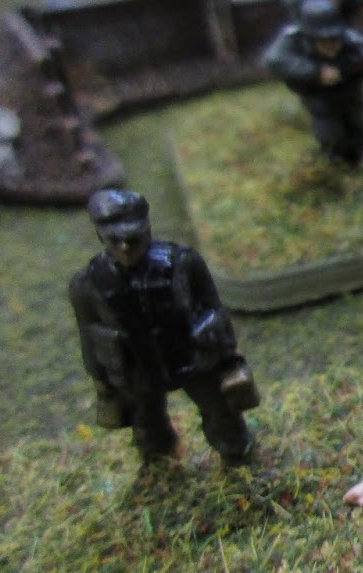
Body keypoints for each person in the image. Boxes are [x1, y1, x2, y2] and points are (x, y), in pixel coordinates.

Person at [69, 189, 258, 469]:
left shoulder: (184, 263)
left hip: (193, 357)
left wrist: (226, 352)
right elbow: (88, 333)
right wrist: (99, 377)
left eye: (133, 238)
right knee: (146, 424)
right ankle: (158, 464)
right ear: (101, 236)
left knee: (221, 412)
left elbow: (213, 306)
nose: (125, 247)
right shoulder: (87, 283)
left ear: (147, 230)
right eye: (115, 240)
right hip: (136, 367)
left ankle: (237, 455)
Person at [262, 0, 363, 165]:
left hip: (351, 93)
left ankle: (362, 152)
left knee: (358, 127)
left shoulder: (350, 38)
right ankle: (334, 159)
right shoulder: (293, 39)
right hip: (320, 98)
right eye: (324, 40)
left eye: (334, 39)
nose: (331, 44)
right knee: (330, 134)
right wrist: (315, 71)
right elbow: (273, 60)